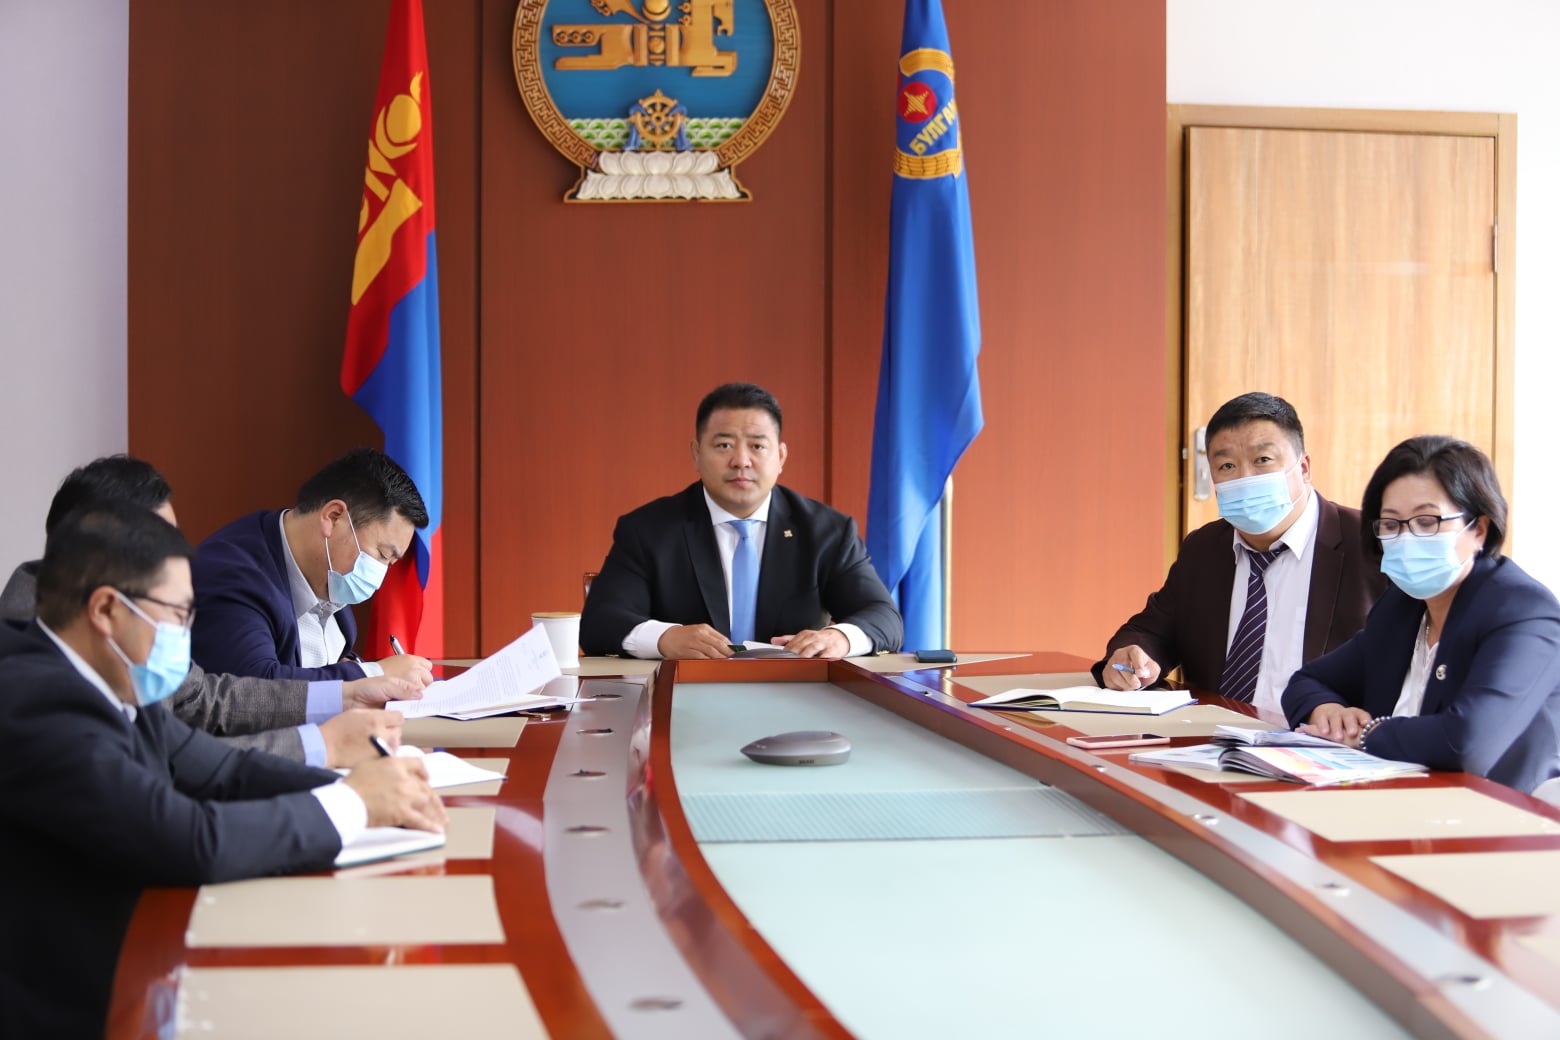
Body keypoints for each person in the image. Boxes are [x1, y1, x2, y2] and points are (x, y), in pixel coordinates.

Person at [0, 503, 446, 1037]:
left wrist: (368, 789)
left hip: (147, 960)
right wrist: (355, 803)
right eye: (177, 615)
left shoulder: (111, 675)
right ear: (106, 610)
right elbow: (191, 839)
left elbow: (223, 770)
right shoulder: (37, 702)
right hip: (79, 1004)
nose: (186, 637)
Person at [2, 456, 409, 768]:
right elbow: (170, 779)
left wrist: (347, 695)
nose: (177, 557)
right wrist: (333, 761)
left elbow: (207, 700)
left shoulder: (114, 617)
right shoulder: (30, 672)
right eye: (159, 541)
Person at [1284, 436, 1560, 793]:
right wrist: (1329, 713)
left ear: (1478, 529)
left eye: (1427, 521)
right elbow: (1307, 682)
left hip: (1497, 811)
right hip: (1397, 797)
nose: (1406, 537)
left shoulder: (1523, 612)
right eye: (1391, 524)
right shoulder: (1401, 607)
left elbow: (1466, 743)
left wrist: (1368, 734)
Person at [1092, 393, 1385, 717]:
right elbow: (1152, 632)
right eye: (1227, 466)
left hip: (1325, 741)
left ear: (1303, 468)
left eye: (1263, 460)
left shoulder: (1371, 544)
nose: (1245, 477)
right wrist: (1133, 657)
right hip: (1210, 738)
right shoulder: (1204, 548)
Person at [581, 382, 903, 659]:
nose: (741, 461)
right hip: (683, 695)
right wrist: (665, 638)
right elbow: (600, 622)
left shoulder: (827, 532)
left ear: (780, 457)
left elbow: (884, 617)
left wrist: (839, 638)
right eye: (724, 445)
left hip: (797, 696)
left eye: (757, 446)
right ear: (696, 454)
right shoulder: (648, 530)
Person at [192, 448, 436, 685]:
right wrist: (372, 674)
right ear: (333, 517)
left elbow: (324, 664)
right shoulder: (232, 576)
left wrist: (350, 668)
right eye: (382, 554)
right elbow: (256, 688)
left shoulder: (328, 577)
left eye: (390, 563)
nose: (381, 575)